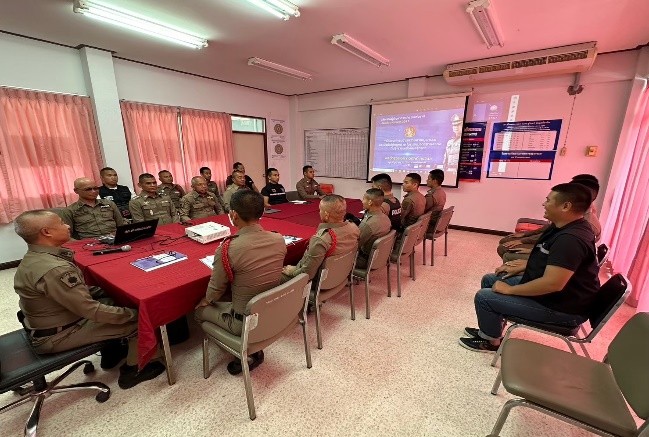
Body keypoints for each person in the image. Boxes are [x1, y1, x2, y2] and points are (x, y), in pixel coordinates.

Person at [13, 210, 165, 389]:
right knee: (140, 320)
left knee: (115, 301)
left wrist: (114, 290)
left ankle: (112, 354)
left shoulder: (37, 257)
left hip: (54, 320)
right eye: (61, 223)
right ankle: (136, 370)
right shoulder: (55, 269)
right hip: (59, 334)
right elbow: (91, 310)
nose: (67, 226)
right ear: (46, 232)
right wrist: (136, 314)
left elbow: (80, 292)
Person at [459, 183, 600, 353]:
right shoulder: (563, 227)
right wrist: (525, 265)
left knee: (484, 297)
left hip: (562, 309)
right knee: (490, 280)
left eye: (548, 200)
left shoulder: (570, 239)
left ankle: (490, 343)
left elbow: (552, 284)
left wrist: (510, 290)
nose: (544, 204)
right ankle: (490, 331)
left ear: (565, 206)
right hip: (556, 297)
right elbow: (552, 259)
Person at [195, 190, 286, 375]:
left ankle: (241, 351)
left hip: (243, 322)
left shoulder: (228, 248)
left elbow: (216, 289)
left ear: (233, 215)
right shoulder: (279, 239)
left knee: (198, 311)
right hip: (273, 311)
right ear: (261, 212)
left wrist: (206, 301)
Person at [497, 174, 602, 262]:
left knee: (506, 251)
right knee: (506, 242)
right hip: (550, 249)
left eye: (548, 201)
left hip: (553, 257)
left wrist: (530, 249)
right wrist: (525, 236)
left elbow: (561, 256)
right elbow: (550, 230)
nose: (544, 204)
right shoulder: (573, 215)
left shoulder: (584, 227)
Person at [282, 195, 360, 283]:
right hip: (341, 275)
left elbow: (307, 274)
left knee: (275, 277)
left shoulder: (322, 239)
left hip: (320, 281)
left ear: (326, 215)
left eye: (320, 210)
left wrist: (292, 271)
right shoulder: (354, 228)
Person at [60, 177, 124, 239]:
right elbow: (67, 236)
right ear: (76, 191)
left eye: (96, 188)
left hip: (114, 239)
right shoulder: (70, 210)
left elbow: (121, 225)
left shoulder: (109, 204)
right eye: (88, 189)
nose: (94, 191)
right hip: (90, 243)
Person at [356, 188, 392, 269]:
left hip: (365, 260)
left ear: (370, 202)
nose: (362, 201)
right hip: (380, 257)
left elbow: (355, 245)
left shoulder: (367, 224)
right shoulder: (386, 218)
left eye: (363, 199)